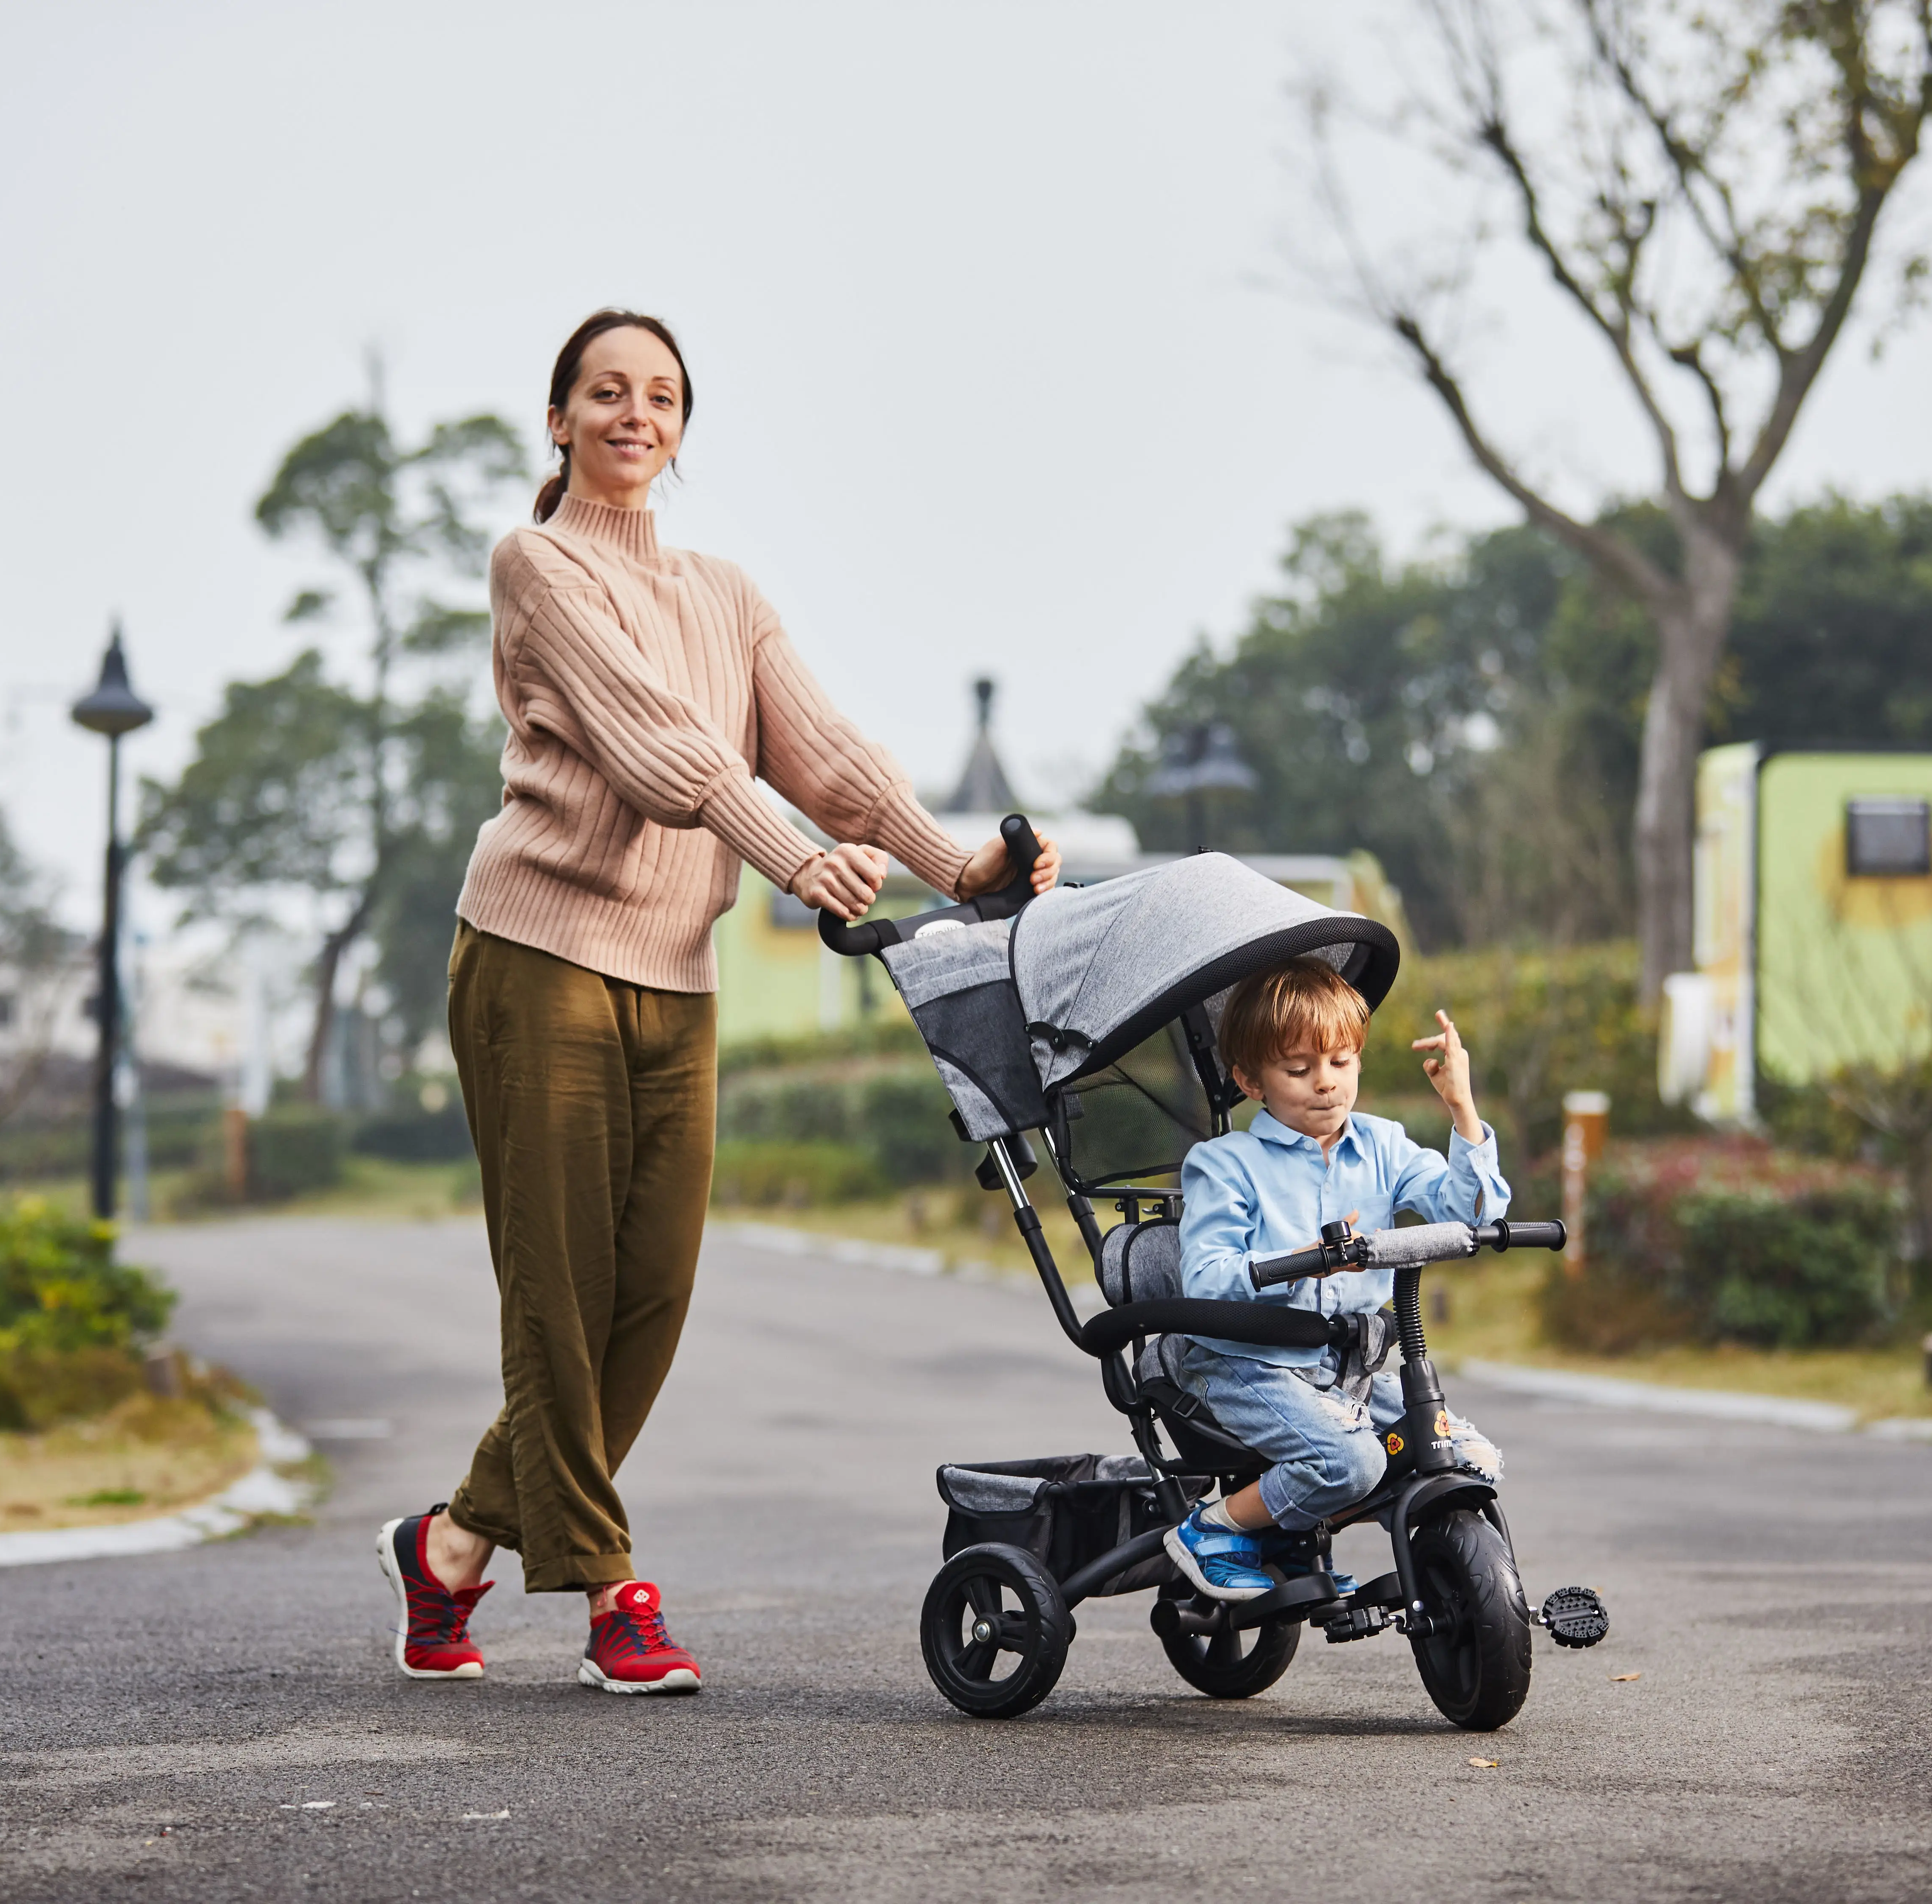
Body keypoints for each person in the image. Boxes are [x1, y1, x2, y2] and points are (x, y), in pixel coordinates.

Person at [375, 309, 1058, 1694]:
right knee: (558, 1296)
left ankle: (451, 1548)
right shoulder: (537, 562)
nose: (636, 414)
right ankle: (607, 1587)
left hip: (674, 974)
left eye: (663, 396)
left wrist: (963, 865)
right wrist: (799, 863)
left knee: (654, 1293)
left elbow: (829, 755)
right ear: (557, 418)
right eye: (607, 392)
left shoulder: (727, 593)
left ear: (683, 428)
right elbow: (656, 745)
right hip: (541, 956)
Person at [1161, 957, 1509, 1601]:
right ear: (1250, 1079)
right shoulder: (1224, 1164)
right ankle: (1211, 1528)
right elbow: (1207, 1281)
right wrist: (1304, 1259)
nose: (1325, 1084)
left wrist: (1462, 1107)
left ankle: (1294, 1530)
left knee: (1469, 1456)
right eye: (1299, 1070)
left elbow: (1471, 1213)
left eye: (1341, 1063)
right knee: (1352, 1461)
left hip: (1341, 1366)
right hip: (1246, 1364)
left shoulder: (1383, 1145)